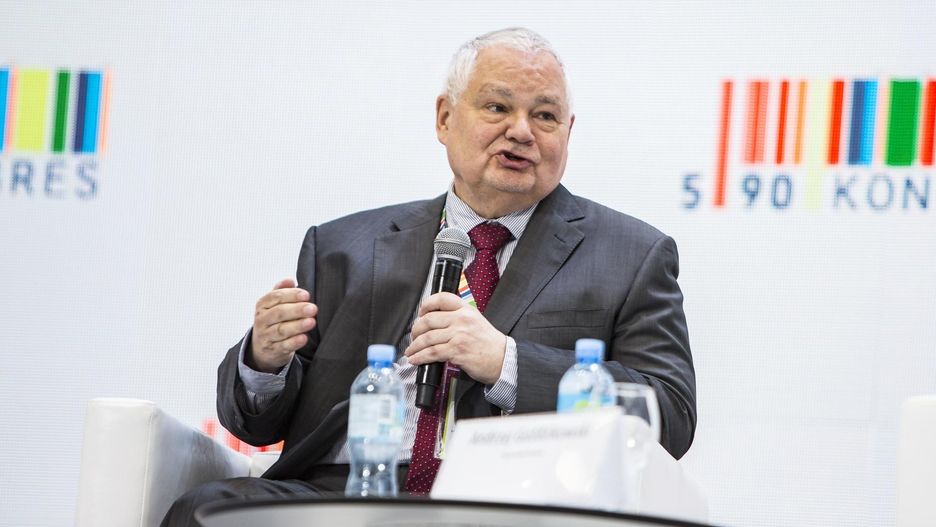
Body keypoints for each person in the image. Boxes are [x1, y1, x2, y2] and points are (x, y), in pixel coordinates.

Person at [162, 27, 695, 526]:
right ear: (444, 118)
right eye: (497, 107)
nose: (521, 131)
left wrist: (507, 362)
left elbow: (669, 413)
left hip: (514, 503)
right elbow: (254, 425)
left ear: (568, 133)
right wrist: (265, 361)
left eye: (545, 116)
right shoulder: (344, 247)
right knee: (207, 511)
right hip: (344, 495)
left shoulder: (630, 254)